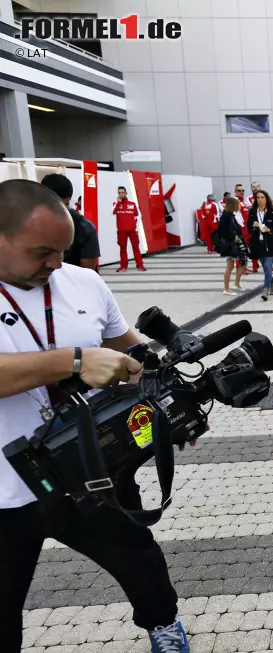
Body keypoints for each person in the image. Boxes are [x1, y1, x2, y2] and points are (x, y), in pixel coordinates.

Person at [0, 179, 189, 653]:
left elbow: (127, 350)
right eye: (41, 252)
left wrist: (168, 407)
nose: (55, 264)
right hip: (3, 490)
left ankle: (164, 627)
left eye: (62, 250)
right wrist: (74, 361)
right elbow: (86, 359)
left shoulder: (84, 282)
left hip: (92, 468)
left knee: (139, 559)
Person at [40, 173, 100, 271]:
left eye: (66, 204)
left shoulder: (84, 228)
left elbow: (87, 272)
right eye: (55, 205)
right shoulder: (30, 223)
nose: (62, 210)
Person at [248, 190, 273, 301]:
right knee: (266, 269)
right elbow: (248, 228)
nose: (260, 199)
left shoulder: (271, 212)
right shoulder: (252, 212)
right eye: (258, 197)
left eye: (262, 197)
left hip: (270, 244)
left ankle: (265, 289)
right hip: (258, 245)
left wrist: (269, 230)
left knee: (267, 266)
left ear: (266, 199)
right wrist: (253, 226)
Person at [215, 196, 246, 295]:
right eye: (237, 204)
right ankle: (226, 288)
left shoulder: (231, 215)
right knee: (230, 266)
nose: (239, 206)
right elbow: (221, 232)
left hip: (235, 243)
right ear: (232, 205)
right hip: (229, 245)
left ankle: (236, 283)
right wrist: (233, 237)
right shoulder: (225, 217)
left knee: (243, 262)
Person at [113, 185, 145, 272]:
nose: (121, 194)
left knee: (136, 248)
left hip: (132, 231)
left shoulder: (132, 204)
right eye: (119, 193)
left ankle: (140, 265)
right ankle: (123, 266)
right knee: (122, 248)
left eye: (123, 193)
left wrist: (135, 226)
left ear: (126, 193)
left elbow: (138, 216)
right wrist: (118, 203)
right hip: (121, 232)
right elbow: (113, 212)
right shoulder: (115, 204)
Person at [234, 184, 256, 275]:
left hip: (246, 228)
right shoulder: (235, 201)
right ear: (235, 192)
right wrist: (242, 226)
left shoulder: (243, 201)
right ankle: (240, 268)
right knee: (240, 249)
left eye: (243, 190)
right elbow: (235, 215)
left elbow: (250, 207)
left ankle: (244, 267)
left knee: (245, 248)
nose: (241, 192)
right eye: (239, 191)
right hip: (240, 229)